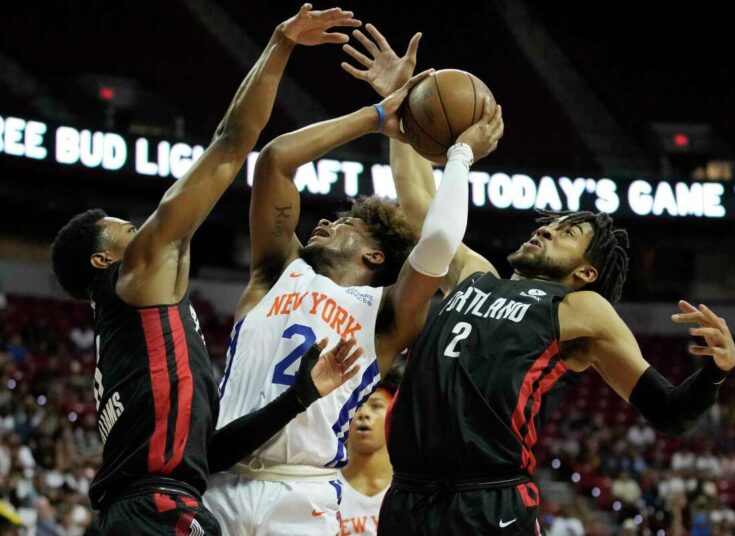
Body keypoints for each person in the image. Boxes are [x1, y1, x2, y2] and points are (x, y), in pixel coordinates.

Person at [342, 24, 735, 535]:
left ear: (587, 272)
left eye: (566, 232)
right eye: (548, 224)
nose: (547, 230)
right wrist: (402, 106)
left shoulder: (580, 309)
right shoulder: (475, 275)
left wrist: (715, 373)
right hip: (411, 496)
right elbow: (421, 208)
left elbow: (670, 412)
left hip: (490, 501)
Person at [50, 5, 364, 534]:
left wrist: (302, 395)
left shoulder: (133, 334)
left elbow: (213, 452)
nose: (140, 227)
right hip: (155, 511)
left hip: (165, 505)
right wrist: (280, 44)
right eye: (124, 227)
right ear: (104, 260)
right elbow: (230, 142)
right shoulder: (137, 274)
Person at [203, 37, 505, 535]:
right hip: (219, 480)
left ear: (375, 255)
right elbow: (276, 160)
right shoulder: (278, 270)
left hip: (305, 495)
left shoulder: (386, 314)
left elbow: (440, 239)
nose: (323, 223)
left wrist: (459, 157)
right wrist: (380, 116)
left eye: (346, 222)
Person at [337, 365, 402, 536]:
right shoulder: (323, 486)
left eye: (375, 406)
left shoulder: (410, 489)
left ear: (393, 413)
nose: (363, 414)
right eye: (356, 407)